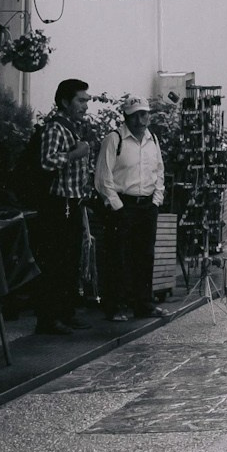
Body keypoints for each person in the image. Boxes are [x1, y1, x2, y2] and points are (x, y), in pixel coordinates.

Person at [33, 78, 95, 335]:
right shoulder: (55, 129)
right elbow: (46, 162)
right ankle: (50, 318)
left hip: (73, 202)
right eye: (81, 100)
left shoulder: (73, 128)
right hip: (58, 204)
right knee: (56, 261)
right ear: (64, 102)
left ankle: (66, 313)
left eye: (86, 101)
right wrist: (74, 155)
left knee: (70, 260)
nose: (85, 106)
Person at [94, 97, 164, 321]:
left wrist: (156, 200)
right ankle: (116, 306)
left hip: (146, 206)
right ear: (127, 116)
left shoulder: (152, 139)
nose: (142, 119)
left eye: (145, 114)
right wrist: (118, 207)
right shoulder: (114, 140)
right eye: (137, 115)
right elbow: (103, 178)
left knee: (145, 256)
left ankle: (143, 304)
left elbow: (159, 171)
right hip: (123, 205)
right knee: (118, 258)